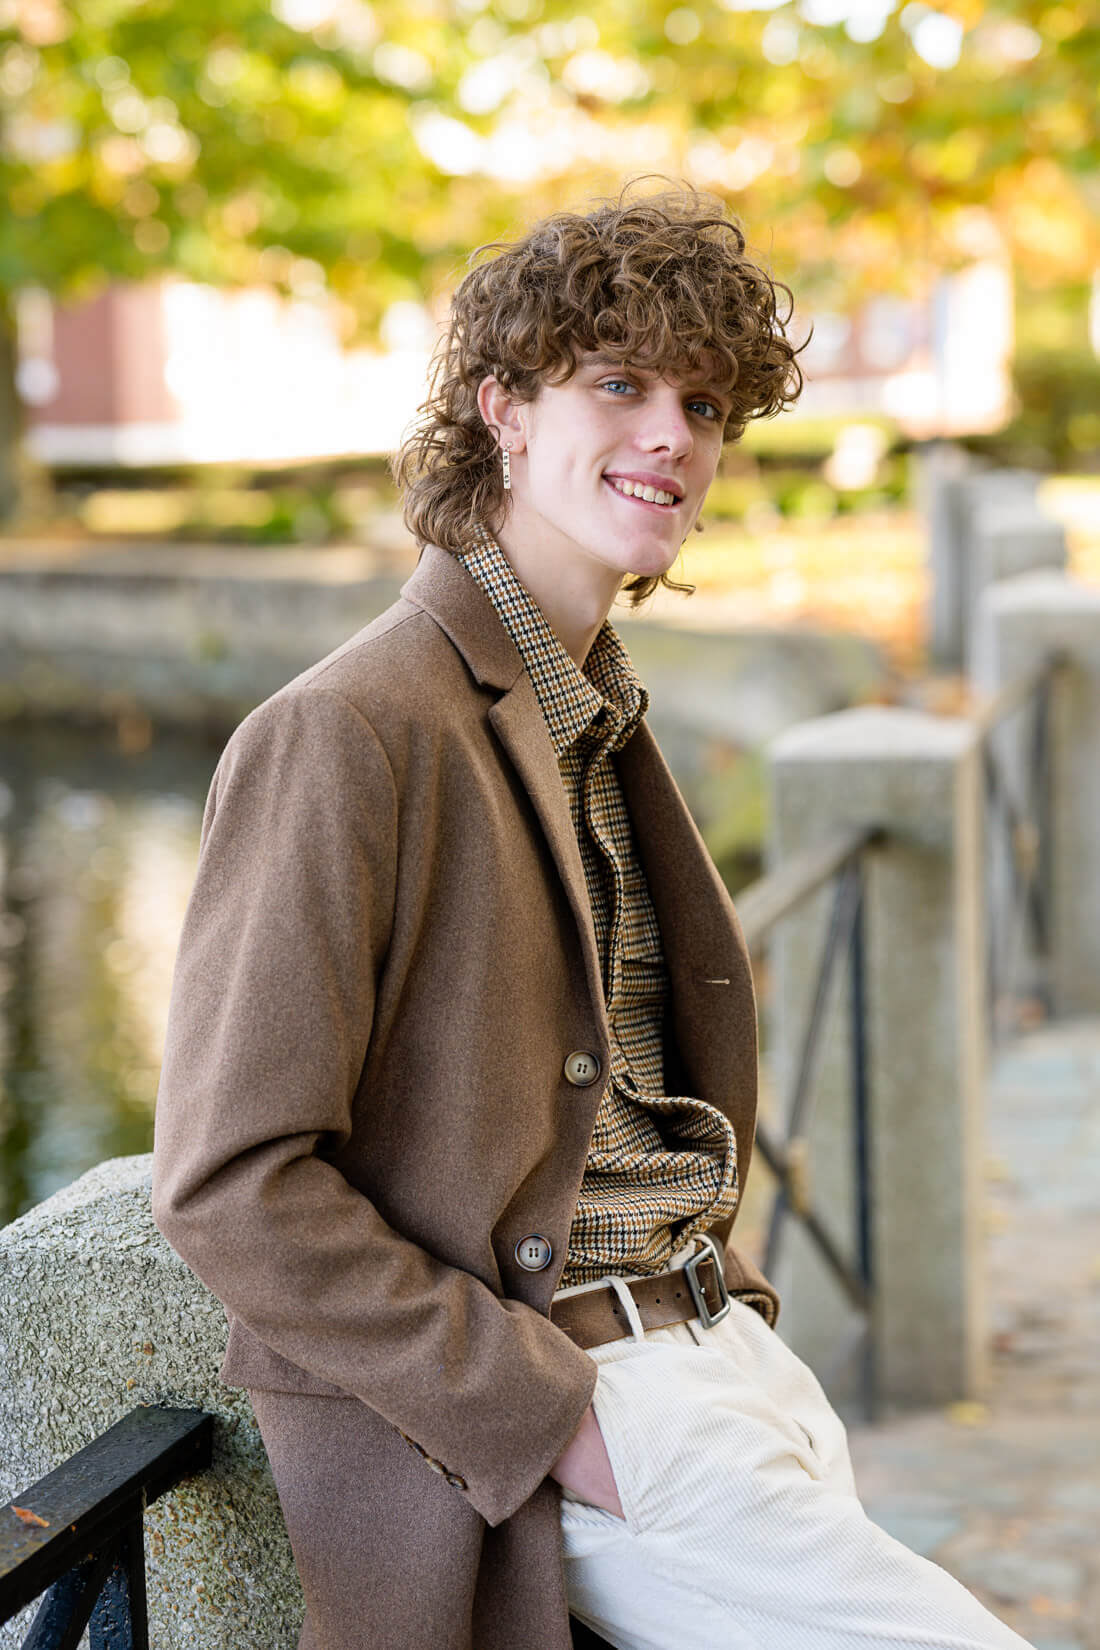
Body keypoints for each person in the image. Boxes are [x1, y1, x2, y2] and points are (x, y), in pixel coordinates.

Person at [152, 184, 1033, 1650]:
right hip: (591, 1411)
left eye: (704, 403)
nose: (672, 435)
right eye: (618, 384)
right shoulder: (350, 730)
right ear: (501, 409)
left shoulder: (596, 707)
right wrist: (547, 1417)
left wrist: (729, 1315)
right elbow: (229, 1181)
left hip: (724, 1362)